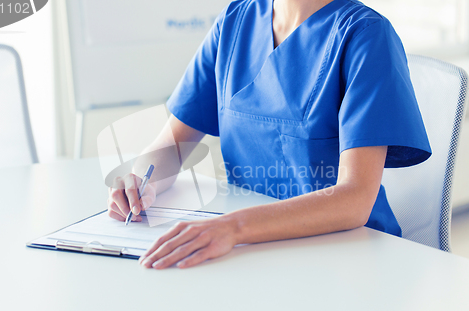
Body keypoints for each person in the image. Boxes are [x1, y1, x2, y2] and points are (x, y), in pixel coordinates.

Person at [108, 0, 431, 269]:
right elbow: (172, 145)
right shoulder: (236, 20)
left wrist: (232, 227)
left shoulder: (365, 35)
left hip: (348, 256)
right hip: (252, 252)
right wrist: (140, 181)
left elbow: (355, 198)